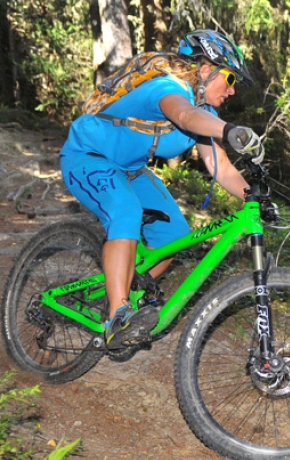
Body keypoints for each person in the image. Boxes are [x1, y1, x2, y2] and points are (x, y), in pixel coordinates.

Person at [58, 29, 264, 346]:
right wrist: (230, 130)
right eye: (231, 79)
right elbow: (183, 115)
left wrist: (256, 199)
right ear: (206, 69)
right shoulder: (167, 88)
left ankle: (128, 297)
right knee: (126, 210)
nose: (232, 91)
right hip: (88, 157)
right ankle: (118, 315)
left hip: (129, 170)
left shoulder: (206, 113)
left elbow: (220, 167)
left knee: (176, 238)